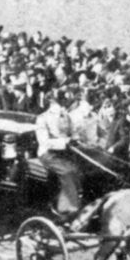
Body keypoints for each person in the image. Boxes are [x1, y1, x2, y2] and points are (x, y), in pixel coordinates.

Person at [36, 93, 84, 221]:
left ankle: (65, 204)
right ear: (51, 103)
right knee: (67, 171)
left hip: (64, 153)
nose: (60, 107)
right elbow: (44, 142)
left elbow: (73, 132)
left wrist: (76, 140)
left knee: (77, 169)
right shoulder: (42, 118)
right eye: (57, 103)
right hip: (48, 154)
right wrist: (64, 142)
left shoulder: (66, 116)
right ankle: (69, 209)